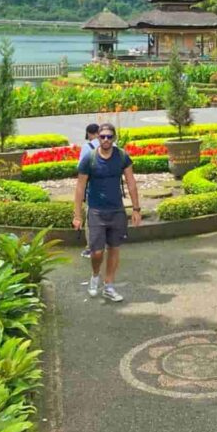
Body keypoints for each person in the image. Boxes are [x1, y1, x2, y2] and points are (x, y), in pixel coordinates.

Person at [73, 123, 142, 302]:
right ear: (97, 138)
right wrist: (77, 215)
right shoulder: (89, 158)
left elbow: (131, 182)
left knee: (114, 248)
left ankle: (109, 285)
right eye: (102, 136)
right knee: (96, 252)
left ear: (114, 138)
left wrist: (136, 209)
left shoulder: (122, 156)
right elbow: (80, 188)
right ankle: (95, 276)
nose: (105, 139)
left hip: (117, 210)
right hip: (96, 211)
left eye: (109, 137)